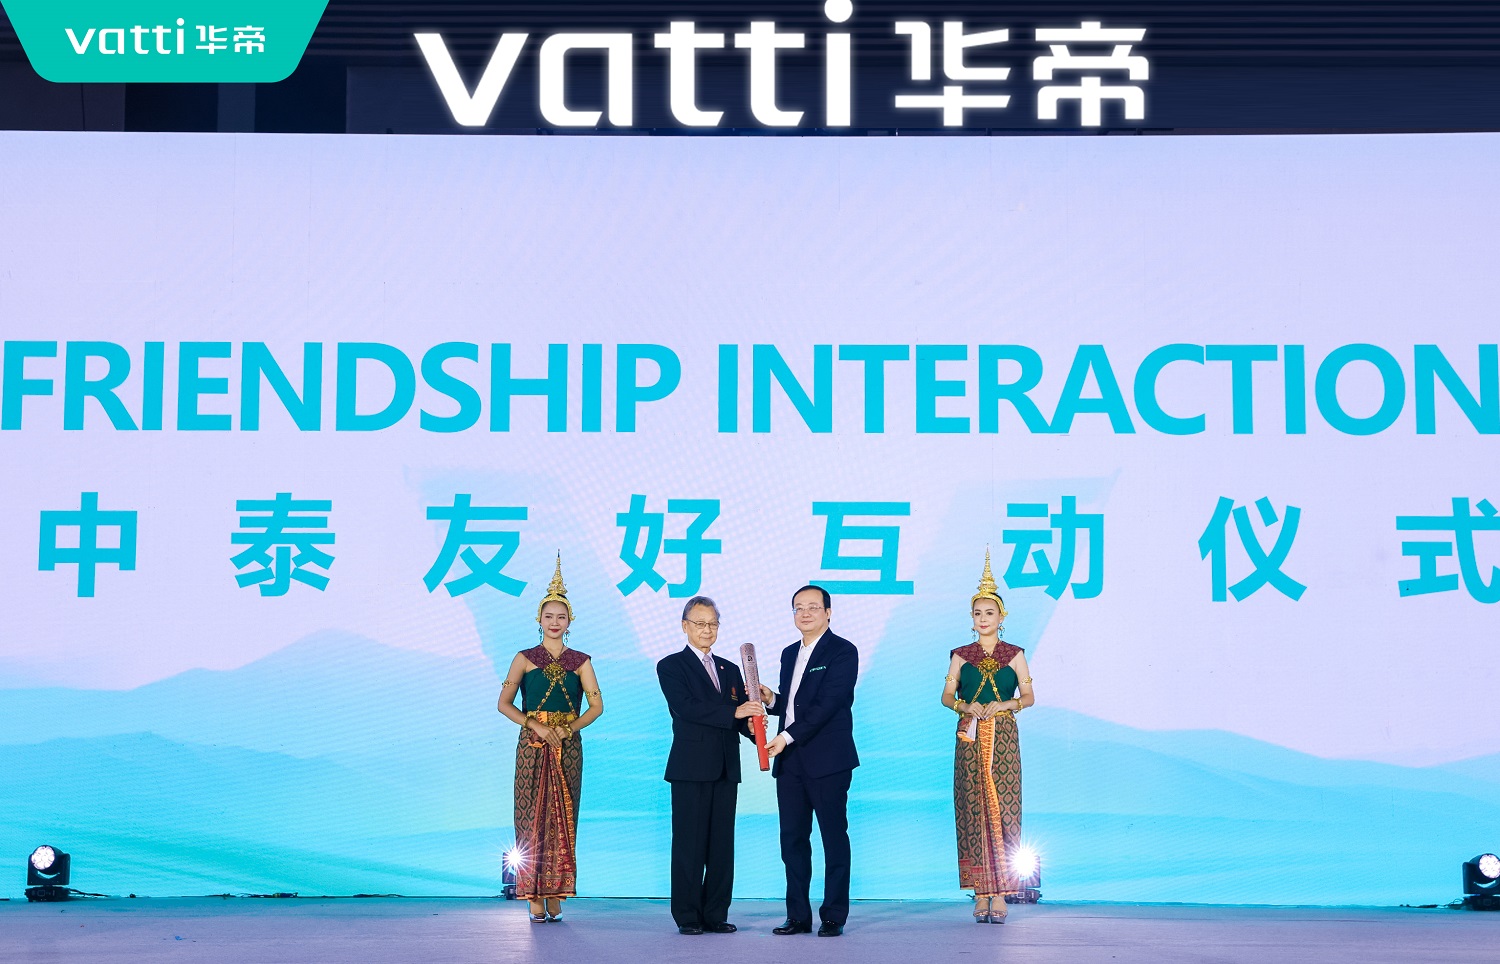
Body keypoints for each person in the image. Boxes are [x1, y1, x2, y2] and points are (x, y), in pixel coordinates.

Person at [496, 554, 604, 923]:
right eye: (549, 616)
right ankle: (532, 894)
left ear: (569, 621)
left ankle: (556, 892)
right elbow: (503, 703)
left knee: (563, 817)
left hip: (568, 746)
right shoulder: (524, 658)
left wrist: (568, 729)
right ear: (539, 620)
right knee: (530, 817)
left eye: (561, 617)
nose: (555, 622)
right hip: (532, 745)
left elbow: (596, 707)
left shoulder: (581, 661)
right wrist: (535, 725)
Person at [656, 595, 765, 935]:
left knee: (721, 846)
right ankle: (688, 915)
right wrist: (735, 713)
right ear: (685, 626)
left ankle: (716, 913)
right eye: (700, 623)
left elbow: (738, 718)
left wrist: (752, 728)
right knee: (689, 845)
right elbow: (686, 707)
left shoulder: (730, 669)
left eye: (713, 624)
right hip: (690, 768)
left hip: (726, 768)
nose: (707, 630)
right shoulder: (671, 666)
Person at [758, 584, 859, 937]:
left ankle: (833, 915)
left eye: (813, 607)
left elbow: (827, 705)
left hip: (828, 760)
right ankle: (797, 916)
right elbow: (794, 704)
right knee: (793, 841)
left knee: (833, 838)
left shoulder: (843, 651)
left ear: (828, 612)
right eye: (798, 607)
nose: (805, 613)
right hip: (791, 763)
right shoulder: (789, 653)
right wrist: (772, 700)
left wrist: (785, 736)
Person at [941, 550, 1034, 923]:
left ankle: (1002, 893)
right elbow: (947, 696)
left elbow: (1028, 696)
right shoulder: (961, 655)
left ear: (1001, 617)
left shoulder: (1015, 654)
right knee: (972, 808)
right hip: (970, 735)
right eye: (977, 613)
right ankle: (981, 893)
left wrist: (1004, 705)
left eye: (989, 613)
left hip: (1004, 737)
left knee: (1005, 809)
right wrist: (965, 706)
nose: (983, 619)